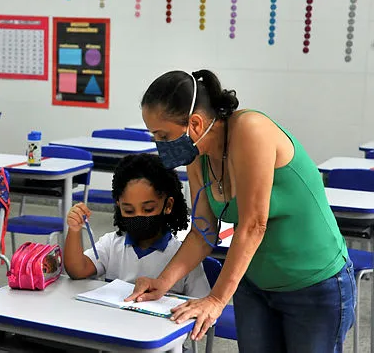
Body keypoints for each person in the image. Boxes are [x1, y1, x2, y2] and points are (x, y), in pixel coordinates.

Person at [126, 69, 355, 352]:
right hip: (255, 281)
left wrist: (216, 300)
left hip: (313, 283)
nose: (159, 144)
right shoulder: (198, 156)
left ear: (195, 123)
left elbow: (253, 224)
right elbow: (203, 231)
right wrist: (163, 282)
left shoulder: (250, 130)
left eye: (163, 135)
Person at [64, 153, 210, 296]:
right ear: (118, 206)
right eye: (128, 210)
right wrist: (74, 230)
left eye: (148, 209)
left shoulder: (185, 256)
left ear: (168, 205)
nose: (138, 216)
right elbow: (77, 271)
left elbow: (199, 304)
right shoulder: (111, 245)